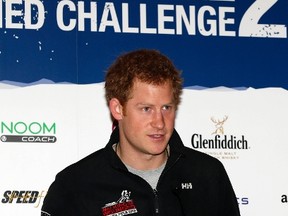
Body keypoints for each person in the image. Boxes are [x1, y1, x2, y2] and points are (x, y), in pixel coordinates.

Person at [41, 49, 240, 216]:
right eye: (146, 109)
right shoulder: (75, 185)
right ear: (118, 109)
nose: (159, 122)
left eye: (166, 108)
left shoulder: (207, 174)